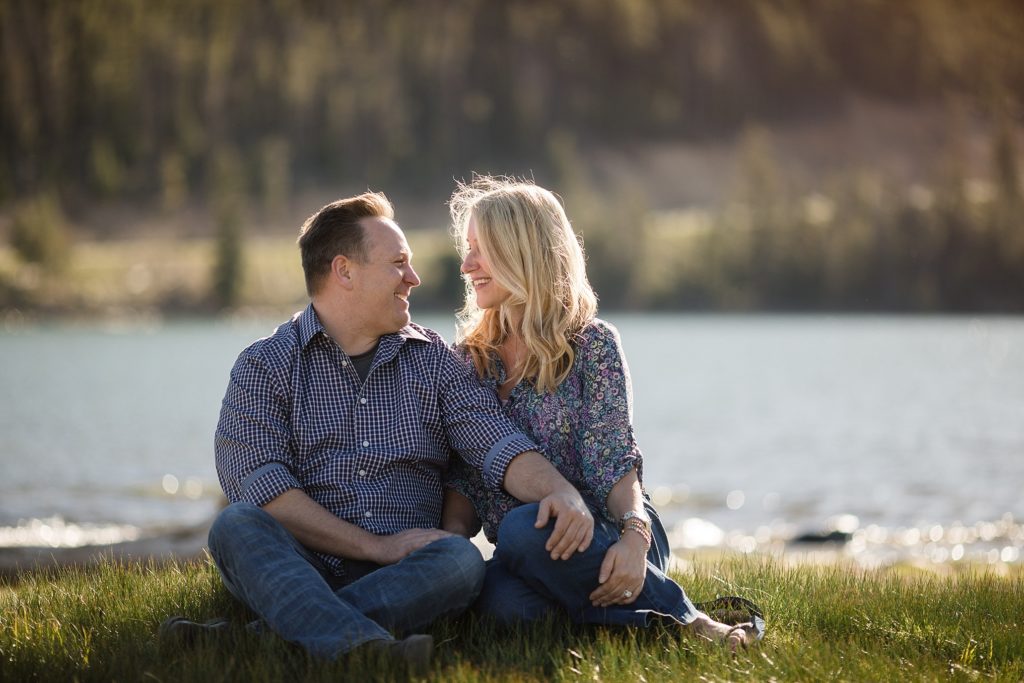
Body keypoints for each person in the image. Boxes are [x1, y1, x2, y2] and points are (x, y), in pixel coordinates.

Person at [161, 192, 595, 668]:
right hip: (301, 566)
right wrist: (374, 547)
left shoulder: (435, 363)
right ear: (344, 271)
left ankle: (269, 638)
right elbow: (261, 486)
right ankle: (367, 651)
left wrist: (560, 491)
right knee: (236, 525)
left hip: (414, 570)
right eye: (398, 264)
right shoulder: (264, 366)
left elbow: (496, 442)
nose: (414, 278)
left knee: (461, 561)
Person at [441, 177, 761, 650]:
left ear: (522, 252)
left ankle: (696, 626)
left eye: (480, 250)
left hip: (612, 531)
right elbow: (466, 481)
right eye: (466, 250)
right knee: (502, 604)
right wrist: (442, 553)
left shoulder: (593, 345)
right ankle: (633, 624)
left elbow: (614, 461)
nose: (466, 266)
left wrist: (635, 538)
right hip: (526, 555)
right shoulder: (469, 360)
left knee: (522, 530)